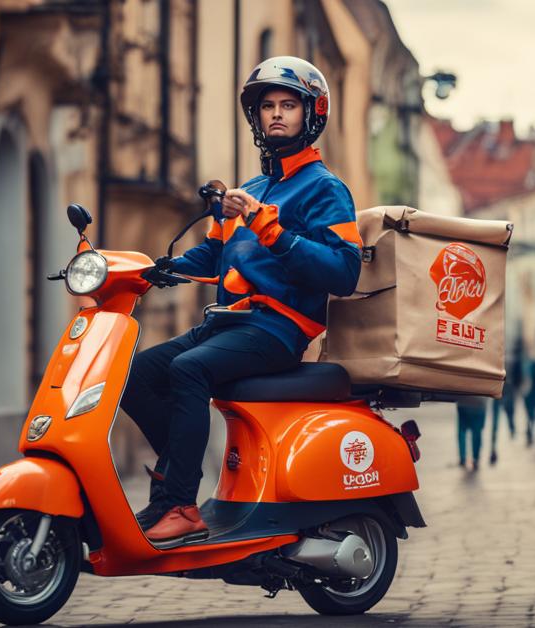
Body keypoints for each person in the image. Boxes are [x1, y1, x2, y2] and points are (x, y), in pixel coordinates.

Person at [120, 57, 361, 545]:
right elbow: (215, 252)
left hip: (278, 328)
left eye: (288, 105)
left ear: (312, 114)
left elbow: (344, 270)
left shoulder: (325, 190)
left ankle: (184, 508)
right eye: (267, 106)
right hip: (228, 324)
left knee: (188, 370)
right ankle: (171, 492)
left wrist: (270, 229)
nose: (276, 114)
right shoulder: (247, 190)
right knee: (136, 375)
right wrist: (161, 268)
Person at [489, 339, 523, 464]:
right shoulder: (514, 360)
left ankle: (493, 443)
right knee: (510, 411)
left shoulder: (498, 361)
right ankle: (512, 428)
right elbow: (519, 377)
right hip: (509, 389)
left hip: (498, 390)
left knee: (496, 418)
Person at [456, 398, 487, 471]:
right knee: (477, 432)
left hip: (463, 401)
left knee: (462, 430)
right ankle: (475, 458)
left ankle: (462, 457)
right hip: (480, 403)